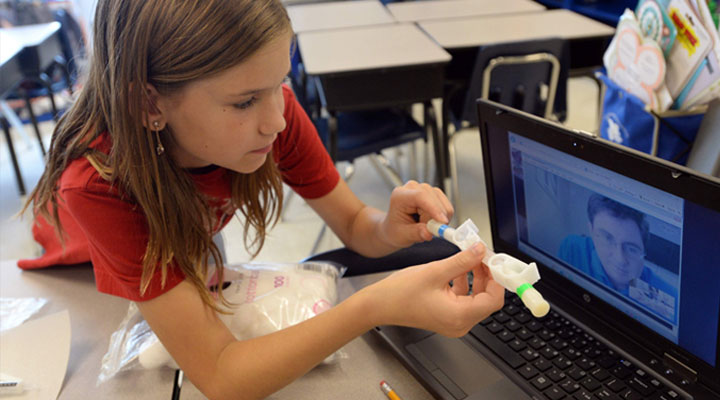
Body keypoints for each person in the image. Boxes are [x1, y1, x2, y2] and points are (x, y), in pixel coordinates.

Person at [17, 1, 505, 398]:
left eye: (282, 83)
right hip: (83, 277)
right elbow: (223, 374)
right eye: (245, 101)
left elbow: (355, 223)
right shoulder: (97, 185)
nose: (276, 119)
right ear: (149, 104)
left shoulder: (273, 113)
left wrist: (388, 227)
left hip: (178, 244)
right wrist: (372, 307)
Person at [558, 194, 675, 299]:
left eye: (631, 249)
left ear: (643, 251)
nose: (620, 259)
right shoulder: (572, 247)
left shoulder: (669, 296)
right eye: (607, 238)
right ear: (591, 231)